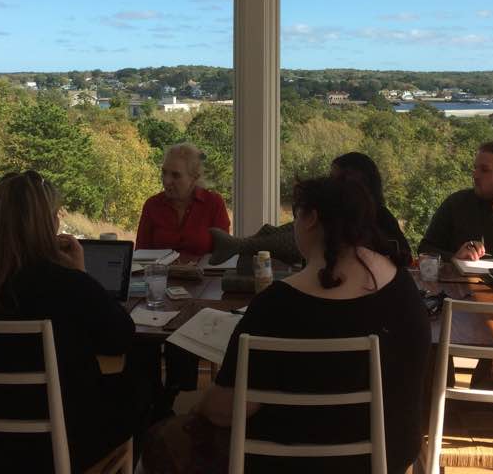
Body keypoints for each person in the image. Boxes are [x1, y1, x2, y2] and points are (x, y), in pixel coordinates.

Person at [146, 177, 431, 474]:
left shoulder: (277, 305)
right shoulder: (402, 286)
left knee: (163, 439)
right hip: (388, 455)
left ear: (311, 219)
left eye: (296, 216)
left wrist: (198, 405)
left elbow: (226, 410)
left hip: (288, 462)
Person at [0, 171, 149, 473]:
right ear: (47, 224)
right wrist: (81, 274)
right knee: (138, 383)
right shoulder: (69, 285)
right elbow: (120, 337)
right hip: (53, 448)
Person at [136, 142, 230, 257]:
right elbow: (140, 256)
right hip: (158, 270)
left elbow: (224, 254)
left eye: (176, 175)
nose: (167, 181)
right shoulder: (152, 205)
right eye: (164, 172)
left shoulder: (214, 203)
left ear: (194, 178)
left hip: (203, 269)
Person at [331, 151, 412, 267]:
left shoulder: (382, 216)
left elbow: (405, 256)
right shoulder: (327, 216)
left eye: (342, 179)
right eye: (332, 178)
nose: (332, 184)